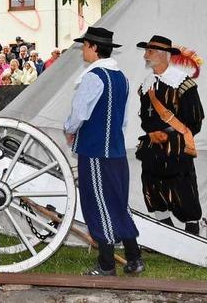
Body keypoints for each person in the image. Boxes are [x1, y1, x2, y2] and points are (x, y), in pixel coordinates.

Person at [64, 26, 142, 276]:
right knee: (118, 203)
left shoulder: (94, 77)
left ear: (94, 48)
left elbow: (79, 112)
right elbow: (124, 120)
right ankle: (134, 258)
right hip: (116, 151)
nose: (83, 51)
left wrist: (70, 129)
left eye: (85, 46)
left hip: (96, 150)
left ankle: (107, 264)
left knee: (97, 204)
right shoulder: (122, 78)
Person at [135, 35, 204, 235]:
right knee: (152, 185)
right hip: (152, 145)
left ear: (164, 55)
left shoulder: (184, 85)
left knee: (183, 187)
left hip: (176, 148)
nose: (145, 56)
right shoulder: (147, 85)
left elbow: (195, 121)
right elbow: (145, 117)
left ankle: (192, 233)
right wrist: (152, 132)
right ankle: (165, 232)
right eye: (146, 51)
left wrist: (170, 136)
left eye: (150, 51)